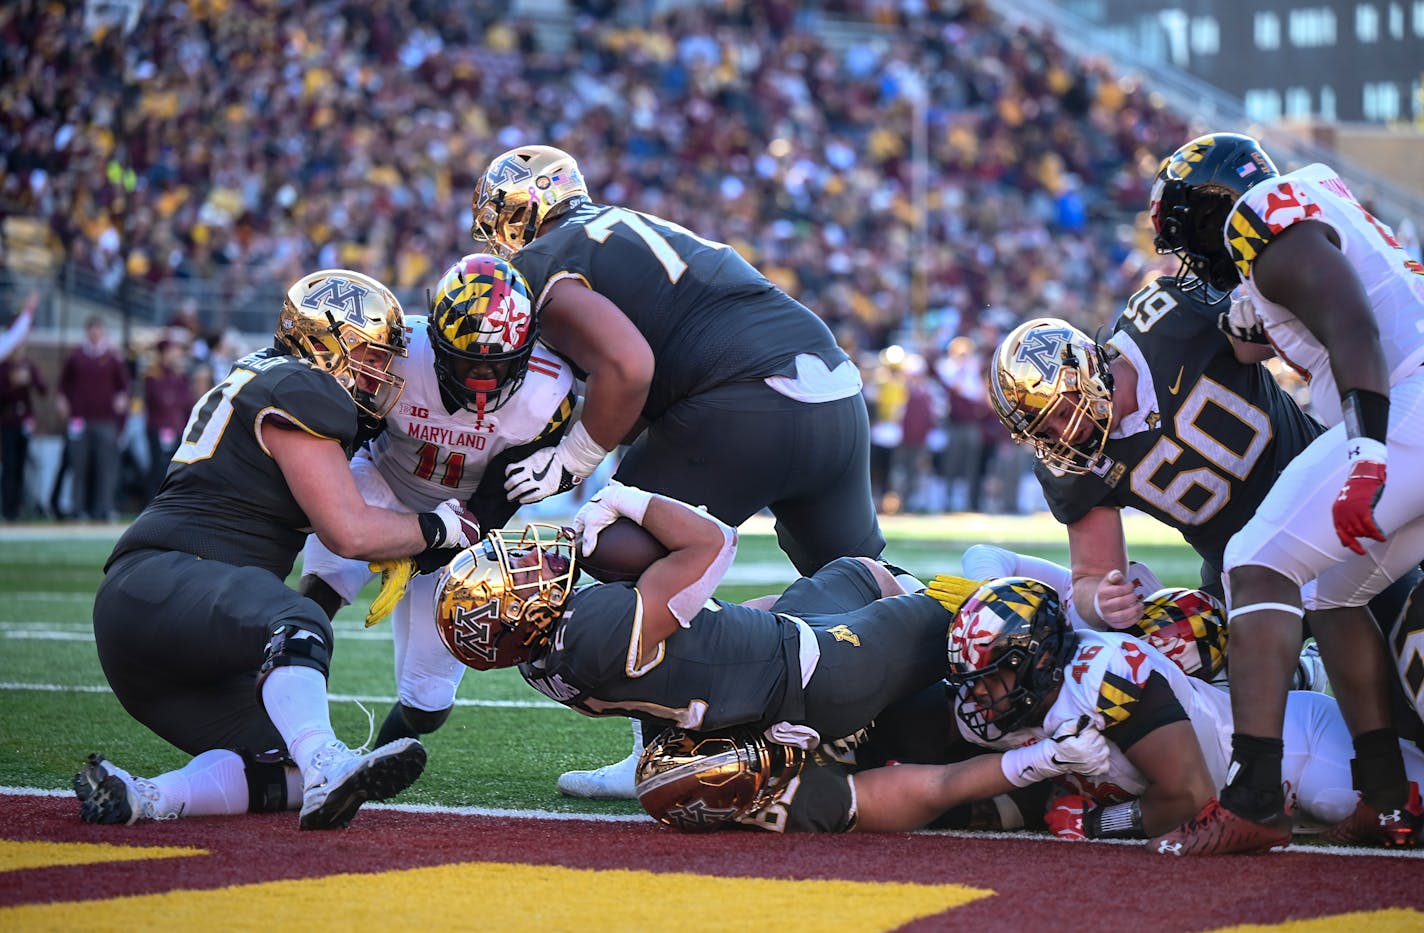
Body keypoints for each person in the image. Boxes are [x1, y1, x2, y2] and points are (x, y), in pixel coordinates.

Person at [469, 144, 884, 797]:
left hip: (750, 400)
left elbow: (630, 370)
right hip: (832, 390)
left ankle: (665, 744)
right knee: (869, 581)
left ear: (510, 215)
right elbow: (648, 386)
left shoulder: (543, 261)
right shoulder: (627, 227)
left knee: (612, 539)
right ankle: (940, 701)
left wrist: (573, 456)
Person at [989, 269, 1422, 846]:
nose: (1064, 436)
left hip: (1326, 505)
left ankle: (1376, 788)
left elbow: (1261, 334)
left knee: (1407, 674)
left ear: (1085, 366)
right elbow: (1091, 576)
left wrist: (1256, 319)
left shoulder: (1166, 321)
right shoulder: (1073, 466)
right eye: (1046, 431)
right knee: (1204, 673)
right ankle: (1346, 786)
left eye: (1063, 411)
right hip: (1241, 577)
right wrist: (1102, 601)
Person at [75, 269, 482, 831]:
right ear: (323, 342)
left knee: (277, 767)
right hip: (167, 579)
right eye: (370, 354)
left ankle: (143, 796)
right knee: (300, 618)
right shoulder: (302, 388)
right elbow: (348, 532)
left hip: (157, 636)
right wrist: (438, 528)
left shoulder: (262, 376)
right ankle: (327, 761)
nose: (382, 373)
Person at [1146, 132, 1424, 853]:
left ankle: (1255, 795)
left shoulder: (1261, 217)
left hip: (1406, 406)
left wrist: (1365, 454)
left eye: (1184, 233)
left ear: (1209, 211)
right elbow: (1266, 328)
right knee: (1331, 589)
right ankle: (1392, 796)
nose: (1186, 260)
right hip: (1409, 401)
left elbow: (1352, 327)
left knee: (1253, 562)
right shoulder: (1308, 205)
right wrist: (1252, 311)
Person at [435, 481, 950, 757]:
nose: (528, 561)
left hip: (777, 674)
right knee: (972, 606)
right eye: (514, 575)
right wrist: (624, 497)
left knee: (858, 571)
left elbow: (695, 647)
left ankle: (927, 679)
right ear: (514, 619)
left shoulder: (544, 665)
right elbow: (715, 540)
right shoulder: (595, 626)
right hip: (820, 671)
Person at [297, 253, 577, 749]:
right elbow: (350, 436)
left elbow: (496, 501)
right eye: (468, 362)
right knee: (323, 587)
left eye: (497, 366)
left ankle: (376, 761)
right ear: (436, 342)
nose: (482, 382)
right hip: (381, 482)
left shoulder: (546, 393)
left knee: (427, 703)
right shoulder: (397, 350)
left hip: (464, 520)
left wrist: (422, 553)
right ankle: (287, 722)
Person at [944, 578, 1424, 850]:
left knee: (1371, 806)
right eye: (974, 680)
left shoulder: (1107, 676)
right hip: (1246, 778)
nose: (979, 696)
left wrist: (1097, 824)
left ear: (1041, 661)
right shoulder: (1003, 708)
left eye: (993, 676)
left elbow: (1189, 799)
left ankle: (1308, 670)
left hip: (1300, 746)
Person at [633, 707, 1110, 834]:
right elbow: (938, 787)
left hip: (894, 697)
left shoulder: (720, 694)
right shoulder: (806, 801)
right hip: (941, 770)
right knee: (1016, 806)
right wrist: (1042, 760)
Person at [56, 315, 130, 522]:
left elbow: (124, 385)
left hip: (105, 419)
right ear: (87, 332)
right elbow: (63, 384)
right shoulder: (77, 357)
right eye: (92, 330)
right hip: (80, 418)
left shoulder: (113, 358)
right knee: (79, 465)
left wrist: (122, 398)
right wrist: (62, 401)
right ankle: (77, 508)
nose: (95, 334)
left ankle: (105, 508)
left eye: (99, 330)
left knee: (106, 466)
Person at [0, 303, 47, 521]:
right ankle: (8, 508)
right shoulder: (4, 366)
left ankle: (18, 507)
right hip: (8, 421)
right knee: (9, 465)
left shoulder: (27, 364)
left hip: (24, 422)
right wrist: (12, 384)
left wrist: (29, 380)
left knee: (21, 466)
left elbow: (42, 388)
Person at [140, 337, 196, 503]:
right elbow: (160, 399)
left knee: (175, 470)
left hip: (177, 428)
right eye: (172, 352)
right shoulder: (153, 375)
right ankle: (151, 503)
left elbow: (186, 402)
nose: (176, 356)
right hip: (158, 428)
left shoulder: (180, 376)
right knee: (157, 468)